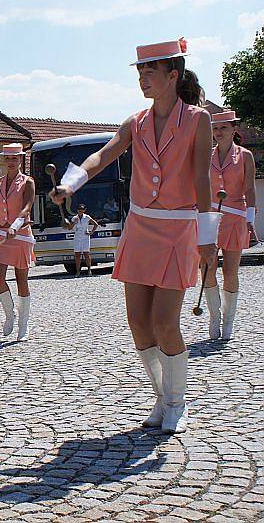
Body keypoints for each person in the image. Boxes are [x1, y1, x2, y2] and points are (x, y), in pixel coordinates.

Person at [50, 38, 217, 434]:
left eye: (150, 71)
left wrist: (207, 236)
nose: (143, 78)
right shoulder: (135, 122)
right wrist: (71, 184)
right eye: (139, 71)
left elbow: (201, 180)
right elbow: (103, 155)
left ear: (172, 75)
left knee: (164, 322)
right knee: (138, 323)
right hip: (140, 228)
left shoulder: (198, 119)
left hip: (178, 229)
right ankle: (162, 396)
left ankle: (177, 402)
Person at [203, 110, 258, 341]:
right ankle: (213, 317)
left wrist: (250, 219)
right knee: (207, 268)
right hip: (210, 218)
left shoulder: (245, 156)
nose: (218, 133)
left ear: (234, 129)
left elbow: (250, 189)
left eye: (223, 128)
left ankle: (228, 322)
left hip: (235, 216)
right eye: (215, 128)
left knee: (230, 271)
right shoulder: (205, 155)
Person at [0, 143, 36, 342]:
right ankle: (10, 315)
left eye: (14, 158)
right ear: (3, 160)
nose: (10, 162)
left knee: (20, 279)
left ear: (20, 160)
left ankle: (23, 325)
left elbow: (26, 207)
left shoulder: (28, 182)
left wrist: (16, 224)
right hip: (1, 234)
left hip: (21, 234)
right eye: (7, 158)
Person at [65, 204, 99, 276]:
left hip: (85, 237)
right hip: (77, 237)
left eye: (82, 209)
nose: (80, 210)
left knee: (86, 254)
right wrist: (74, 222)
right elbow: (70, 228)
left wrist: (91, 232)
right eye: (79, 209)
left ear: (84, 210)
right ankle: (78, 271)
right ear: (77, 210)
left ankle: (89, 270)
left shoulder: (86, 217)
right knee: (77, 254)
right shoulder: (74, 218)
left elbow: (95, 224)